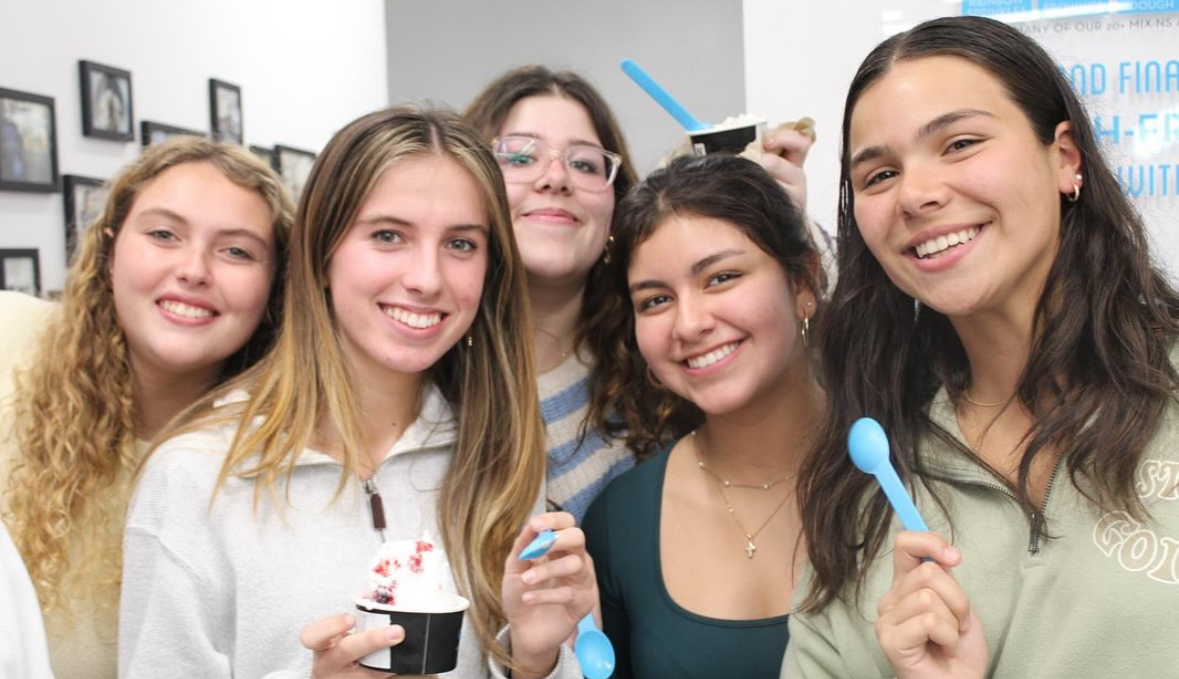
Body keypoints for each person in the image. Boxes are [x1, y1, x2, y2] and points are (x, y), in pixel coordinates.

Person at [119, 105, 595, 679]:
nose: (426, 278)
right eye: (388, 236)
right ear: (322, 254)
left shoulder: (499, 457)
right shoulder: (196, 476)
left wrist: (535, 660)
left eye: (461, 244)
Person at [785, 15, 1179, 679]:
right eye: (878, 176)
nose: (915, 193)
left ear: (1064, 157)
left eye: (960, 142)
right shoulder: (863, 490)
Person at [464, 66, 815, 521]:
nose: (555, 178)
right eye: (520, 156)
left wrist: (782, 232)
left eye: (584, 162)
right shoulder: (437, 378)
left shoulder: (667, 353)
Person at [0, 136, 291, 679]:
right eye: (163, 235)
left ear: (275, 288)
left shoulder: (273, 465)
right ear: (110, 252)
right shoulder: (6, 339)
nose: (193, 269)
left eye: (236, 251)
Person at [582, 153, 825, 678]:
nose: (688, 324)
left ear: (803, 282)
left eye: (720, 278)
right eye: (655, 301)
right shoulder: (618, 523)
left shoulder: (910, 467)